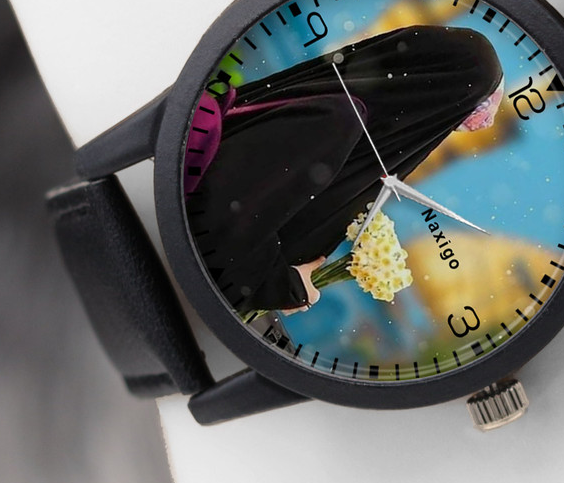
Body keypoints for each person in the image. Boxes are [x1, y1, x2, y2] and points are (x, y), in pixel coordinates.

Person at [186, 25, 504, 313]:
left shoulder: (347, 109)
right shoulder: (339, 122)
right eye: (455, 114)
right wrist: (286, 287)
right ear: (438, 99)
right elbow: (217, 222)